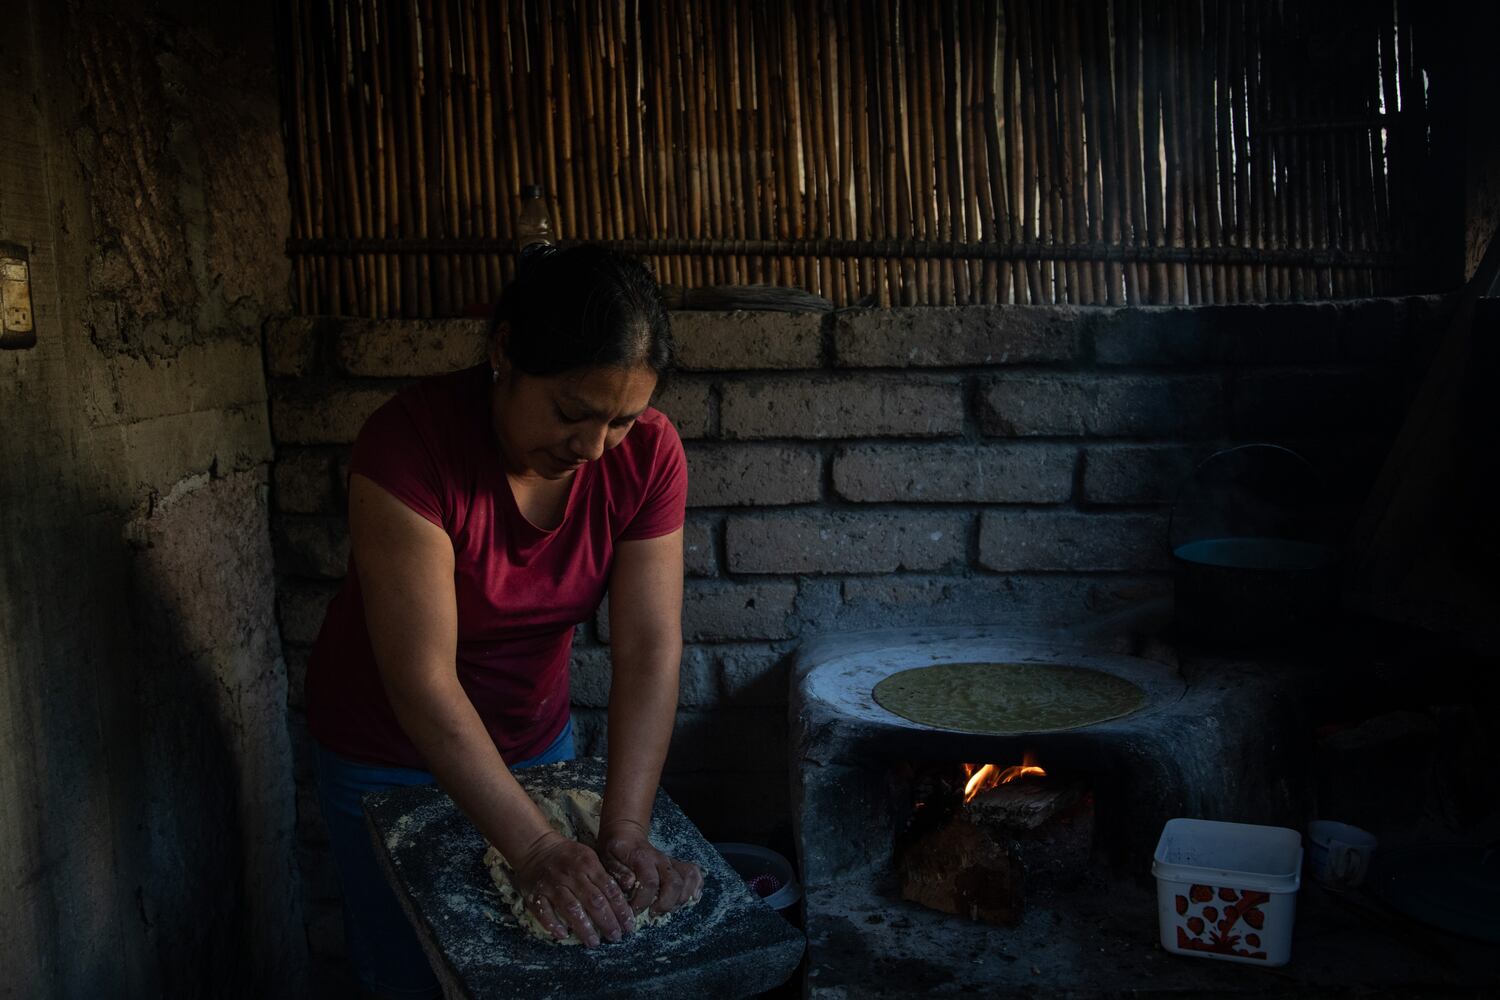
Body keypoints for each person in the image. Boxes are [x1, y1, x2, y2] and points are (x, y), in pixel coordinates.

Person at [305, 243, 703, 999]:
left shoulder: (649, 456)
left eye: (621, 421)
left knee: (547, 972)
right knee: (407, 969)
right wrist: (535, 846)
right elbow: (420, 676)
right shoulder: (408, 443)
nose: (592, 448)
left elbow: (650, 649)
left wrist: (622, 829)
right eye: (571, 412)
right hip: (384, 751)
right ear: (505, 353)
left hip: (535, 742)